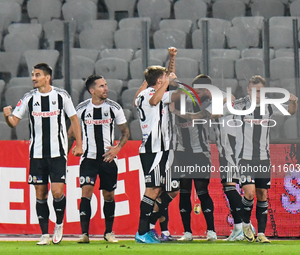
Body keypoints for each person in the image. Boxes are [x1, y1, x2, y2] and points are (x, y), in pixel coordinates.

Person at [3, 63, 83, 245]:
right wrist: (7, 117)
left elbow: (74, 119)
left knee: (57, 192)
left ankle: (59, 224)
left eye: (37, 75)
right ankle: (44, 234)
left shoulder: (62, 96)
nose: (33, 78)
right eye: (32, 74)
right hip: (37, 154)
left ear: (47, 77)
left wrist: (79, 144)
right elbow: (14, 122)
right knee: (40, 193)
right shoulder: (29, 98)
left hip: (58, 153)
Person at [230, 75, 298, 243]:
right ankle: (246, 223)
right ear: (248, 90)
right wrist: (226, 100)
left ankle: (261, 233)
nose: (256, 94)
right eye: (253, 90)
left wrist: (293, 101)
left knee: (262, 194)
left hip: (263, 159)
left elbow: (290, 111)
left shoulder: (269, 107)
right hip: (244, 158)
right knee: (250, 192)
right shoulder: (241, 105)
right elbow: (223, 110)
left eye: (259, 91)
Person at [68, 75, 130, 244]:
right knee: (86, 193)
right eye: (102, 86)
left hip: (107, 159)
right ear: (92, 90)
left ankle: (108, 232)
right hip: (88, 159)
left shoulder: (114, 108)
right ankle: (84, 234)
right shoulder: (81, 109)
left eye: (106, 85)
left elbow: (126, 132)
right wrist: (72, 148)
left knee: (108, 195)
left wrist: (117, 148)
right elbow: (71, 133)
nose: (106, 88)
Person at [134, 65, 181, 243]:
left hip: (162, 150)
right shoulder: (152, 96)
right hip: (154, 149)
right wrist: (171, 82)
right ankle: (142, 231)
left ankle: (150, 227)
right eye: (164, 78)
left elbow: (138, 101)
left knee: (169, 188)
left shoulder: (141, 94)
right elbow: (155, 100)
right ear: (160, 81)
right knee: (152, 190)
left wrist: (167, 78)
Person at [169, 75, 217, 242]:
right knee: (184, 192)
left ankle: (211, 231)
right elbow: (169, 90)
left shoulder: (210, 103)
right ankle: (187, 232)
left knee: (202, 191)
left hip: (201, 153)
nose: (197, 91)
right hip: (182, 153)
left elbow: (197, 116)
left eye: (202, 89)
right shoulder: (180, 98)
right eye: (195, 88)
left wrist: (174, 111)